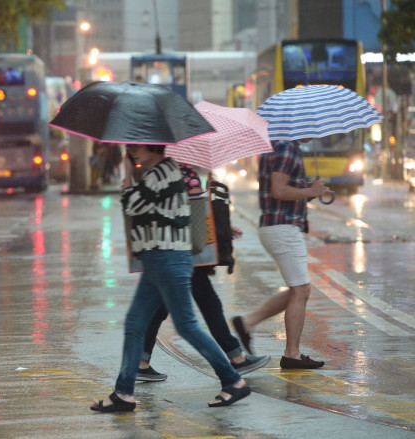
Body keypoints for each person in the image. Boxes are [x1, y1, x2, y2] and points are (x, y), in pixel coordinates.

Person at [90, 144, 250, 412]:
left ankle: (233, 380)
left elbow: (133, 204)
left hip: (169, 259)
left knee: (186, 326)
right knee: (134, 324)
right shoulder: (158, 171)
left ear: (153, 145)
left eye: (136, 147)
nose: (132, 152)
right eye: (130, 149)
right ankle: (124, 393)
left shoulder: (163, 172)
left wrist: (128, 177)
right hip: (157, 259)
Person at [137, 165, 269, 382]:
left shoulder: (168, 169)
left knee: (162, 306)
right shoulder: (178, 171)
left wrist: (220, 226)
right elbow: (187, 210)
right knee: (207, 302)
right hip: (183, 249)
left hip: (173, 247)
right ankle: (236, 358)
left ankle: (140, 362)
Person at [231, 139, 329, 370]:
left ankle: (246, 323)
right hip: (282, 227)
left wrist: (311, 191)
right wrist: (310, 190)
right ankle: (291, 354)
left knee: (298, 290)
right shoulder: (287, 147)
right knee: (301, 290)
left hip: (278, 226)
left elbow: (283, 187)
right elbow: (279, 189)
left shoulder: (277, 146)